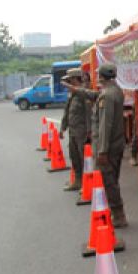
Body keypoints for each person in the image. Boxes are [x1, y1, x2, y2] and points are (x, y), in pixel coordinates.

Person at [92, 63, 128, 228]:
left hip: (109, 146)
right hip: (117, 143)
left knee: (109, 180)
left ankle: (118, 214)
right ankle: (116, 213)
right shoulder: (116, 91)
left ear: (101, 76)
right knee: (112, 178)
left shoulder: (107, 95)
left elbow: (105, 125)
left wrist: (102, 150)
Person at [59, 68, 91, 198]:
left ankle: (86, 184)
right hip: (73, 131)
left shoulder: (84, 93)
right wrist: (63, 127)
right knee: (74, 157)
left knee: (84, 159)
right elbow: (67, 112)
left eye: (70, 80)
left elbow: (89, 113)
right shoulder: (72, 94)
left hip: (82, 131)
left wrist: (89, 131)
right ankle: (77, 181)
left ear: (76, 79)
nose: (68, 83)